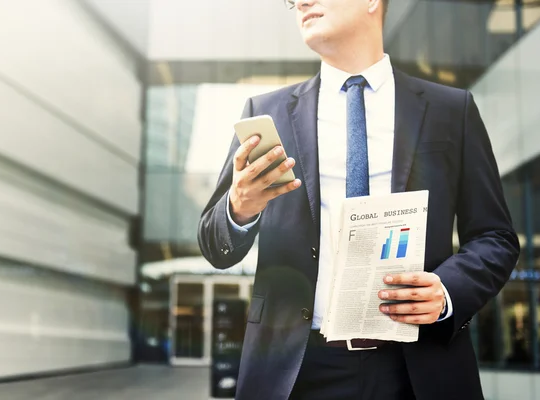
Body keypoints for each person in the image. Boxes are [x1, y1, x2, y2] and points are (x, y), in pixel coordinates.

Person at [197, 0, 520, 399]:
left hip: (417, 368)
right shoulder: (267, 113)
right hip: (295, 372)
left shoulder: (451, 111)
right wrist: (239, 208)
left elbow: (495, 236)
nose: (301, 2)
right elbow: (215, 245)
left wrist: (447, 291)